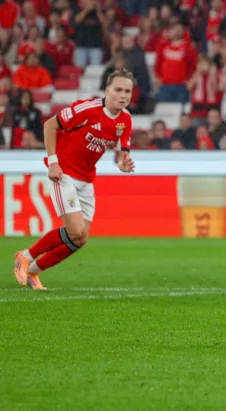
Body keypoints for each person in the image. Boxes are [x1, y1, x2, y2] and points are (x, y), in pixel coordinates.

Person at [13, 70, 136, 290]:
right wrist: (53, 162)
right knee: (76, 231)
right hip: (64, 172)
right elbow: (50, 124)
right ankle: (25, 256)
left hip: (87, 179)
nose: (123, 95)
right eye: (118, 90)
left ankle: (33, 271)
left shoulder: (125, 120)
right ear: (107, 90)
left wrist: (123, 164)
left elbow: (122, 153)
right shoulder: (86, 109)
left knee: (80, 239)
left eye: (127, 91)